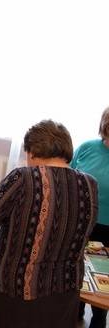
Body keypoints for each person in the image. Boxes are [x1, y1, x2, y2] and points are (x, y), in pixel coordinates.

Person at [0, 119, 98, 328]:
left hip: (16, 292)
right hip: (64, 292)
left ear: (32, 152)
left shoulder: (21, 178)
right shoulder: (89, 184)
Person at [71, 107, 109, 327]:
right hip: (82, 221)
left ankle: (99, 316)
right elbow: (69, 176)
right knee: (78, 267)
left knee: (103, 276)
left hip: (107, 228)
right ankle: (76, 308)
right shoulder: (87, 147)